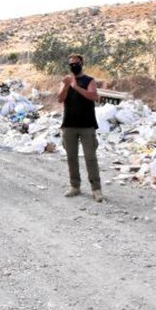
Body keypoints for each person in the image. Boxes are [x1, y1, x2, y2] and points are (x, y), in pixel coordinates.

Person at [57, 54, 103, 203]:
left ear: (82, 63)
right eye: (71, 64)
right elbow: (60, 99)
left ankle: (96, 189)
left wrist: (76, 87)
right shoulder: (65, 81)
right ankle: (75, 186)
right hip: (69, 125)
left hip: (87, 125)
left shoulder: (89, 80)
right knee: (71, 158)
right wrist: (65, 85)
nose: (73, 66)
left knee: (90, 158)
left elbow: (93, 96)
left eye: (76, 63)